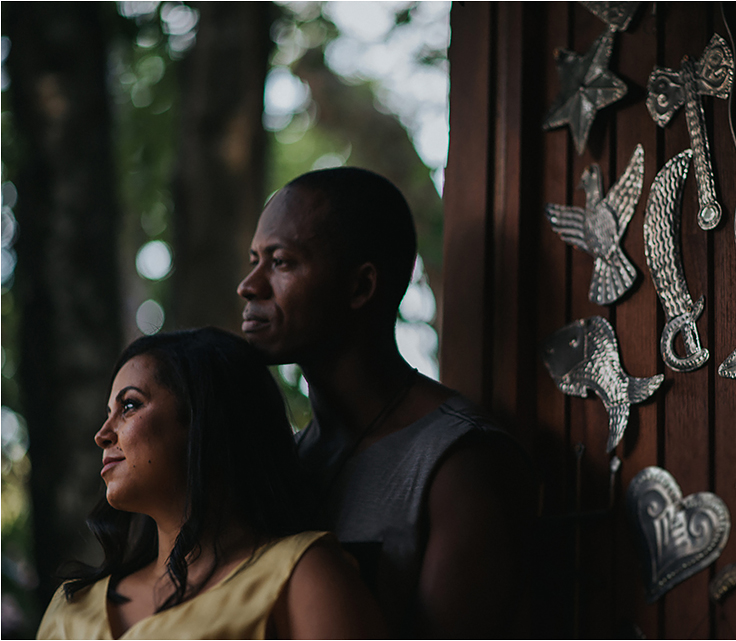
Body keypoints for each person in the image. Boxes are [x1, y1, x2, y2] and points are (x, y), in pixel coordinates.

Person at [237, 168, 536, 637]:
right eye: (254, 259)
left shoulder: (460, 461)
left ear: (361, 287)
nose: (249, 285)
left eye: (281, 262)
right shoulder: (286, 462)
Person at [37, 328, 384, 639]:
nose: (102, 434)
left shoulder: (302, 576)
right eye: (108, 412)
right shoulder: (71, 605)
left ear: (207, 422)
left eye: (129, 405)